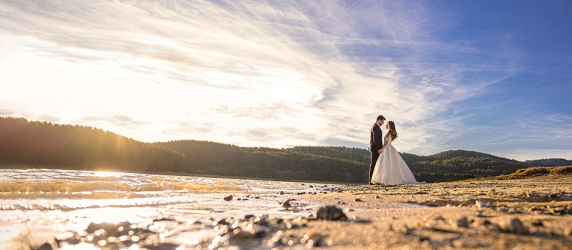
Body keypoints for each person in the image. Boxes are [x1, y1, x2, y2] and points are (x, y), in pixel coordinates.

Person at [369, 115, 385, 184]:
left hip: (376, 149)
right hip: (375, 149)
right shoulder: (375, 127)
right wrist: (378, 149)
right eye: (382, 121)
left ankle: (374, 179)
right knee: (373, 164)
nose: (383, 123)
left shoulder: (376, 127)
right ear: (379, 120)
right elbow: (375, 139)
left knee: (376, 164)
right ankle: (371, 181)